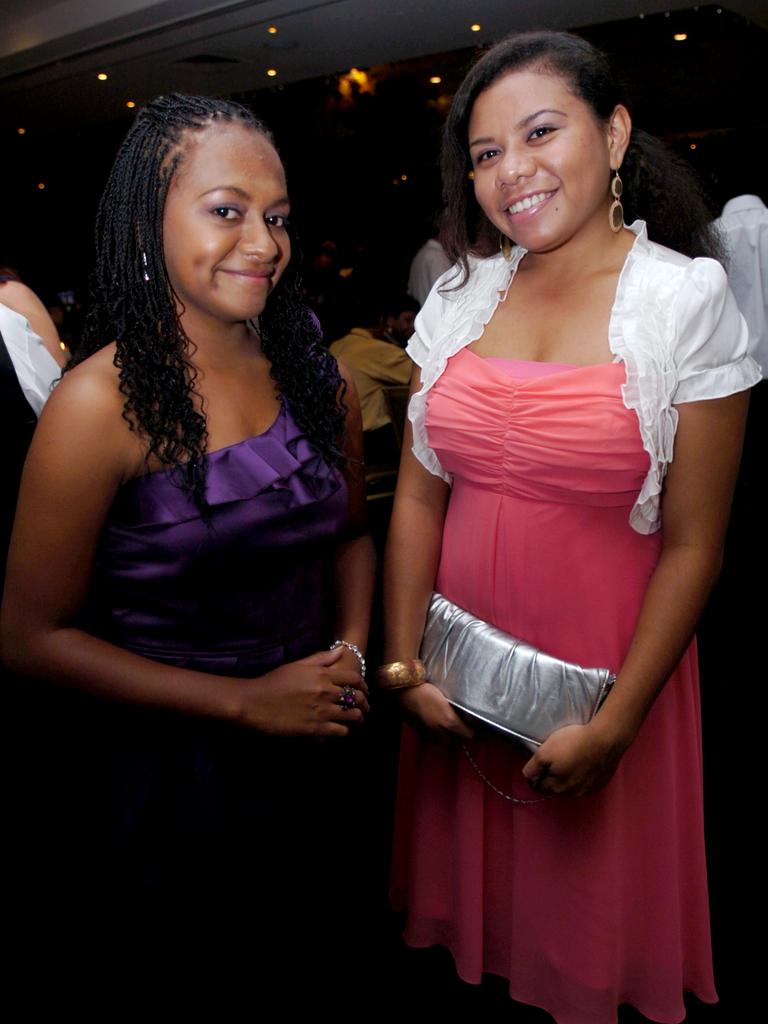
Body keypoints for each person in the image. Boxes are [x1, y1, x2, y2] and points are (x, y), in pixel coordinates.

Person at [381, 32, 760, 1024]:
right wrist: (401, 667)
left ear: (617, 132)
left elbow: (695, 543)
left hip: (606, 676)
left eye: (540, 132)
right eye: (487, 152)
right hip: (453, 674)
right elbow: (419, 497)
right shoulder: (459, 297)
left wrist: (619, 722)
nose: (514, 171)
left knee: (585, 934)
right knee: (473, 945)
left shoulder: (685, 300)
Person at [1, 94, 375, 992]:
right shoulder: (97, 406)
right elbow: (26, 638)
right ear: (148, 216)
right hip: (172, 775)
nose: (263, 241)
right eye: (226, 210)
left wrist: (352, 653)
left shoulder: (315, 375)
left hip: (319, 739)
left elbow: (352, 532)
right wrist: (249, 705)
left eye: (277, 217)